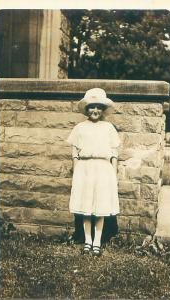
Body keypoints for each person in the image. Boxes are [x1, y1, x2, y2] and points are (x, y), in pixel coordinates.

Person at [66, 88, 120, 256]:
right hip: (85, 169)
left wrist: (114, 174)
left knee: (101, 205)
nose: (95, 110)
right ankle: (87, 241)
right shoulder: (80, 128)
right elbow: (75, 153)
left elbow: (114, 153)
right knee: (86, 205)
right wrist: (76, 173)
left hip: (103, 169)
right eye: (91, 107)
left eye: (98, 107)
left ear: (103, 109)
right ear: (86, 109)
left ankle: (97, 241)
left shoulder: (108, 127)